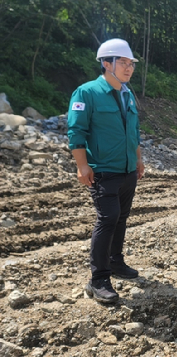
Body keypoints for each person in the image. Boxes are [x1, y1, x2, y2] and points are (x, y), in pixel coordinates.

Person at [68, 38, 145, 304]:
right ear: (106, 63)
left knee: (121, 217)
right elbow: (76, 132)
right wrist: (81, 164)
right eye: (123, 63)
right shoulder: (86, 93)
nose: (128, 68)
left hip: (127, 170)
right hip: (103, 170)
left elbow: (133, 132)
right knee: (108, 219)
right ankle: (98, 279)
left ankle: (116, 262)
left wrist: (138, 159)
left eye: (130, 64)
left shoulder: (127, 94)